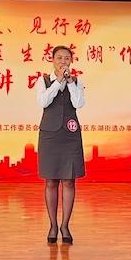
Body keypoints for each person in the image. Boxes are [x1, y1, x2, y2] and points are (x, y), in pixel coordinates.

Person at [36, 45, 85, 244]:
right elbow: (43, 102)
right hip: (50, 135)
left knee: (69, 180)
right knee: (51, 181)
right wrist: (58, 82)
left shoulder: (77, 81)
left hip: (70, 136)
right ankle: (53, 225)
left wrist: (70, 83)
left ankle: (65, 226)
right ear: (53, 60)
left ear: (71, 61)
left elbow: (79, 103)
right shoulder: (44, 80)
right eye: (59, 58)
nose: (63, 61)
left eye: (67, 58)